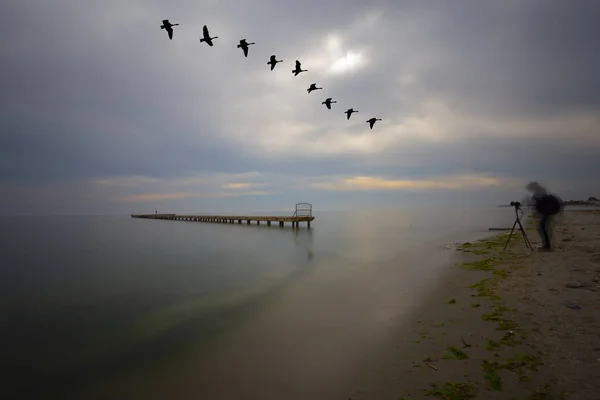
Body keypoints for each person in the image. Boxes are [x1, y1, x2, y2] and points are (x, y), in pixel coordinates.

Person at [525, 181, 562, 251]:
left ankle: (547, 246)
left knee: (543, 228)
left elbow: (540, 203)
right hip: (548, 213)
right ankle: (547, 245)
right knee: (544, 228)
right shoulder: (541, 191)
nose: (530, 190)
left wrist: (533, 204)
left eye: (530, 188)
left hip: (547, 213)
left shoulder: (539, 192)